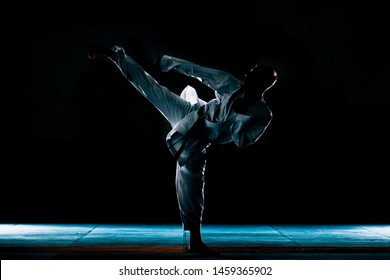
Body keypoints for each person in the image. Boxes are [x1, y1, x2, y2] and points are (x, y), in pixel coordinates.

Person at [88, 44, 277, 255]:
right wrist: (169, 63)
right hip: (191, 113)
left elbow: (243, 142)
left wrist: (241, 117)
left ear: (264, 86)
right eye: (249, 75)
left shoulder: (262, 114)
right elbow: (199, 72)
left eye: (253, 77)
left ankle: (194, 241)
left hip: (198, 141)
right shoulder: (232, 84)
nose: (247, 78)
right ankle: (116, 54)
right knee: (151, 88)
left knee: (191, 189)